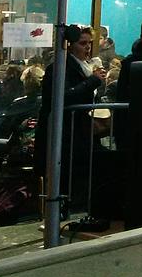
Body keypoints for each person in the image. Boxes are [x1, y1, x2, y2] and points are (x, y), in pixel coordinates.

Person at [34, 26, 107, 209]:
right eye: (82, 43)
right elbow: (64, 96)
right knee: (67, 178)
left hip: (81, 132)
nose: (87, 47)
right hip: (66, 134)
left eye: (89, 43)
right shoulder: (60, 68)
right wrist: (93, 81)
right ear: (70, 45)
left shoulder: (85, 67)